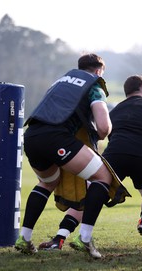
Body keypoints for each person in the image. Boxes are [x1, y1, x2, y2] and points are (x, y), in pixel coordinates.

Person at [38, 75, 142, 250]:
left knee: (89, 195)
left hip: (115, 154)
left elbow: (108, 133)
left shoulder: (116, 110)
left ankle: (60, 237)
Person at [15, 53, 115, 259]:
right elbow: (104, 128)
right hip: (56, 137)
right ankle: (85, 238)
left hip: (32, 135)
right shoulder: (94, 85)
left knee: (47, 183)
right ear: (98, 71)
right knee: (103, 177)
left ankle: (24, 238)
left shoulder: (60, 82)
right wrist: (99, 134)